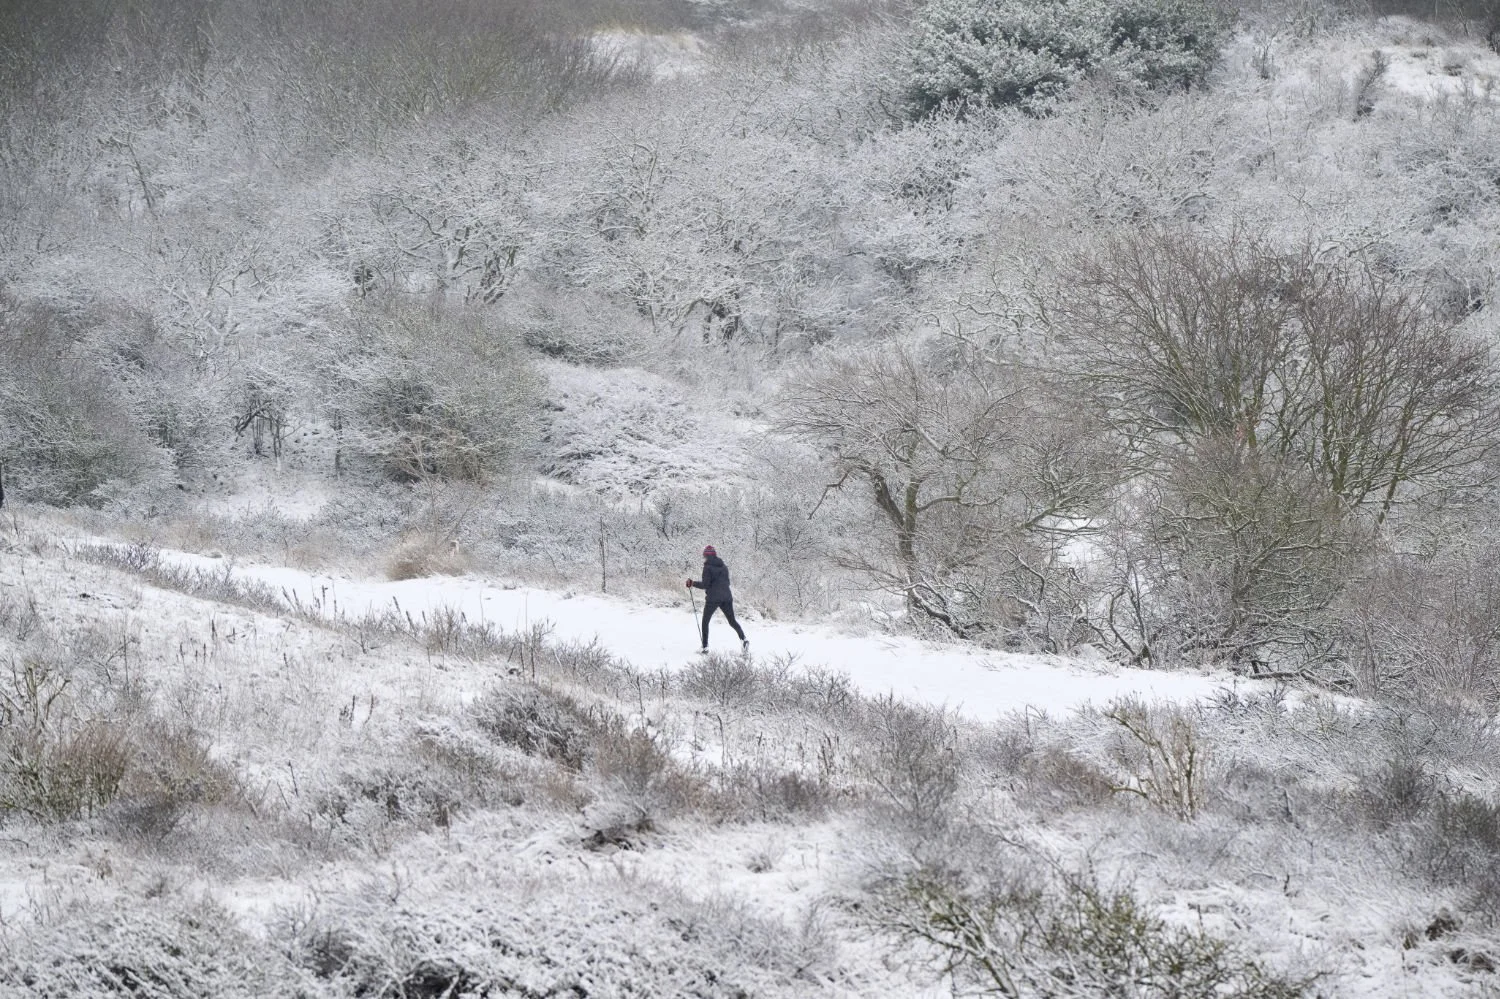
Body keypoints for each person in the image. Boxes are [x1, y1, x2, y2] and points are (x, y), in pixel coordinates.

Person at [687, 544, 748, 654]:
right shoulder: (723, 566)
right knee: (732, 621)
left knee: (705, 621)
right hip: (727, 597)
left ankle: (705, 647)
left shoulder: (707, 567)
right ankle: (744, 639)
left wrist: (692, 583)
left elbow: (705, 584)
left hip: (713, 599)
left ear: (706, 555)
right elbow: (727, 582)